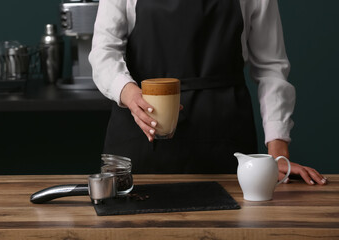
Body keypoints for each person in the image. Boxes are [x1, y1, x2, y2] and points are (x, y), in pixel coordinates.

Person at [89, 0, 327, 185]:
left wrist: (278, 155)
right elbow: (103, 53)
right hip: (141, 138)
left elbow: (271, 68)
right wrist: (130, 94)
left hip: (224, 141)